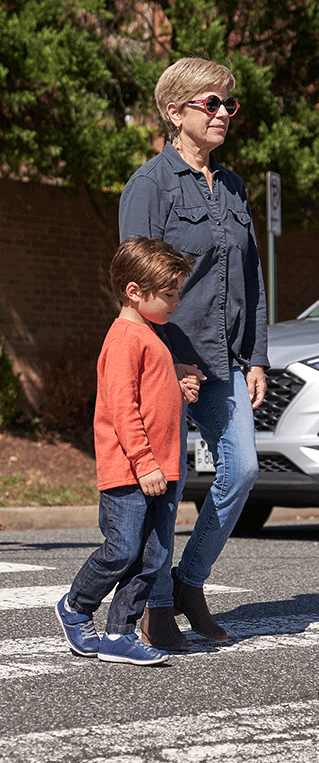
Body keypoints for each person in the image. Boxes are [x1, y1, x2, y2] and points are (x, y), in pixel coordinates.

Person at [119, 57, 269, 649]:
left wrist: (254, 355)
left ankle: (190, 581)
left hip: (224, 358)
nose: (224, 114)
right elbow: (134, 279)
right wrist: (161, 357)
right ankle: (155, 603)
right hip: (168, 357)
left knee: (243, 470)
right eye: (212, 104)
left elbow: (251, 277)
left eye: (229, 104)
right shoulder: (149, 186)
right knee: (169, 482)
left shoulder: (231, 186)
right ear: (175, 112)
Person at [56, 236, 195, 665]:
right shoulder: (124, 338)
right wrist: (144, 462)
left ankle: (120, 632)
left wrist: (178, 383)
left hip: (161, 469)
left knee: (153, 556)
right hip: (132, 470)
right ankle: (76, 607)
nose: (176, 302)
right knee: (121, 549)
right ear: (134, 292)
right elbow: (122, 408)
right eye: (169, 294)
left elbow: (152, 393)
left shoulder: (150, 335)